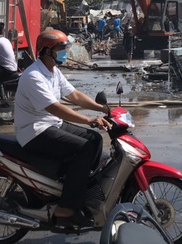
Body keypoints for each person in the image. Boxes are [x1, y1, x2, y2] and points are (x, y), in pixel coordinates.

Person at [14, 29, 112, 228]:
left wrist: (103, 109)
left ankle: (76, 186)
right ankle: (65, 208)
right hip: (34, 131)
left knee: (95, 140)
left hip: (50, 124)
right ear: (47, 51)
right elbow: (56, 108)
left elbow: (74, 95)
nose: (64, 51)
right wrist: (89, 119)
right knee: (84, 148)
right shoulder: (34, 76)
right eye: (60, 48)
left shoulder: (53, 71)